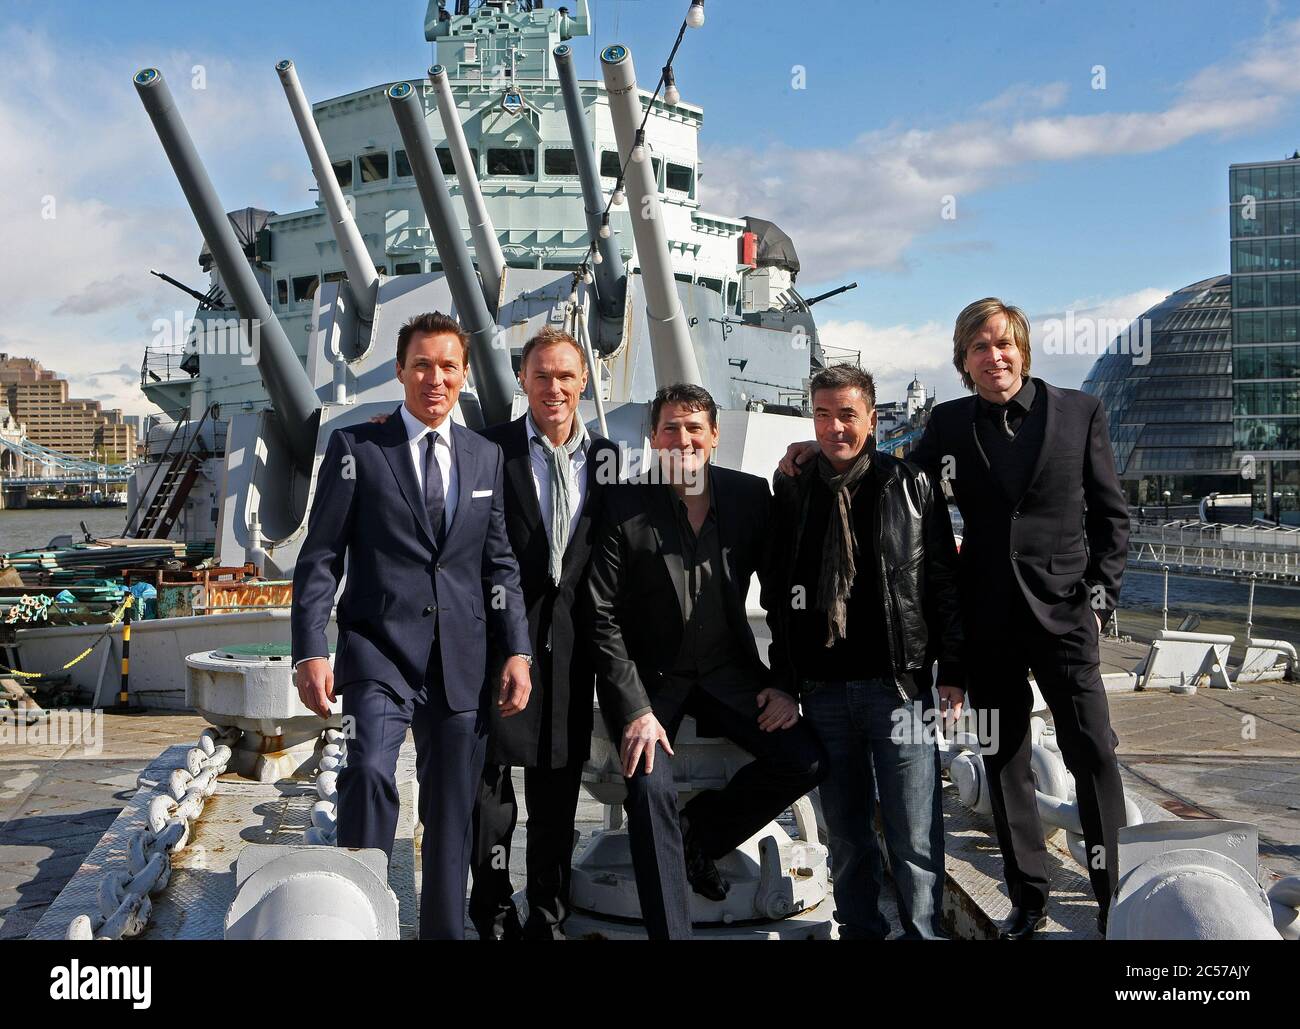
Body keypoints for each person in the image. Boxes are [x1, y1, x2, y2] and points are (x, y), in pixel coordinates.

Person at [781, 298, 1129, 938]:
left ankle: (1115, 900)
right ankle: (1028, 896)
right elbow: (887, 473)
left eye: (1002, 344)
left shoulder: (1081, 413)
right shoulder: (948, 423)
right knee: (1004, 758)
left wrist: (1099, 600)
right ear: (963, 361)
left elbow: (1111, 518)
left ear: (1020, 347)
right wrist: (820, 442)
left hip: (1066, 620)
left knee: (1095, 756)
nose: (993, 356)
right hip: (987, 618)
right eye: (978, 347)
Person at [290, 311, 532, 941]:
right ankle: (358, 921)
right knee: (368, 770)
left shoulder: (485, 457)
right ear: (400, 370)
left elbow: (498, 562)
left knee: (453, 811)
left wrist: (517, 652)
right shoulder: (357, 449)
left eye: (448, 365)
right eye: (421, 364)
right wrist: (310, 650)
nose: (434, 377)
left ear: (464, 375)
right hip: (378, 652)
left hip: (462, 658)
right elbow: (321, 556)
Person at [588, 383, 826, 940]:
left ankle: (699, 837)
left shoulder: (748, 499)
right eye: (670, 428)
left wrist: (786, 684)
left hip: (728, 673)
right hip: (653, 686)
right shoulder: (624, 504)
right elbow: (601, 614)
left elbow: (783, 596)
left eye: (695, 428)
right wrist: (635, 710)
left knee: (806, 759)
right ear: (653, 438)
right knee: (649, 791)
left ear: (715, 437)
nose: (683, 439)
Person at [766, 364, 963, 940]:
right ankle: (860, 932)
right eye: (822, 415)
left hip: (896, 688)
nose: (834, 429)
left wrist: (951, 669)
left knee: (914, 836)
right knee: (847, 836)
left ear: (873, 419)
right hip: (823, 691)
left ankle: (923, 934)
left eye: (847, 414)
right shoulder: (795, 487)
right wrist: (785, 677)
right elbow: (779, 592)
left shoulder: (910, 485)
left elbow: (942, 584)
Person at [468, 328, 620, 940]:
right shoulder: (490, 449)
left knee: (557, 794)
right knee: (492, 795)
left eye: (565, 376)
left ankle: (548, 919)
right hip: (501, 644)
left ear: (584, 382)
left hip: (573, 647)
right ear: (524, 382)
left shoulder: (608, 458)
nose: (553, 388)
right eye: (541, 376)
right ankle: (493, 913)